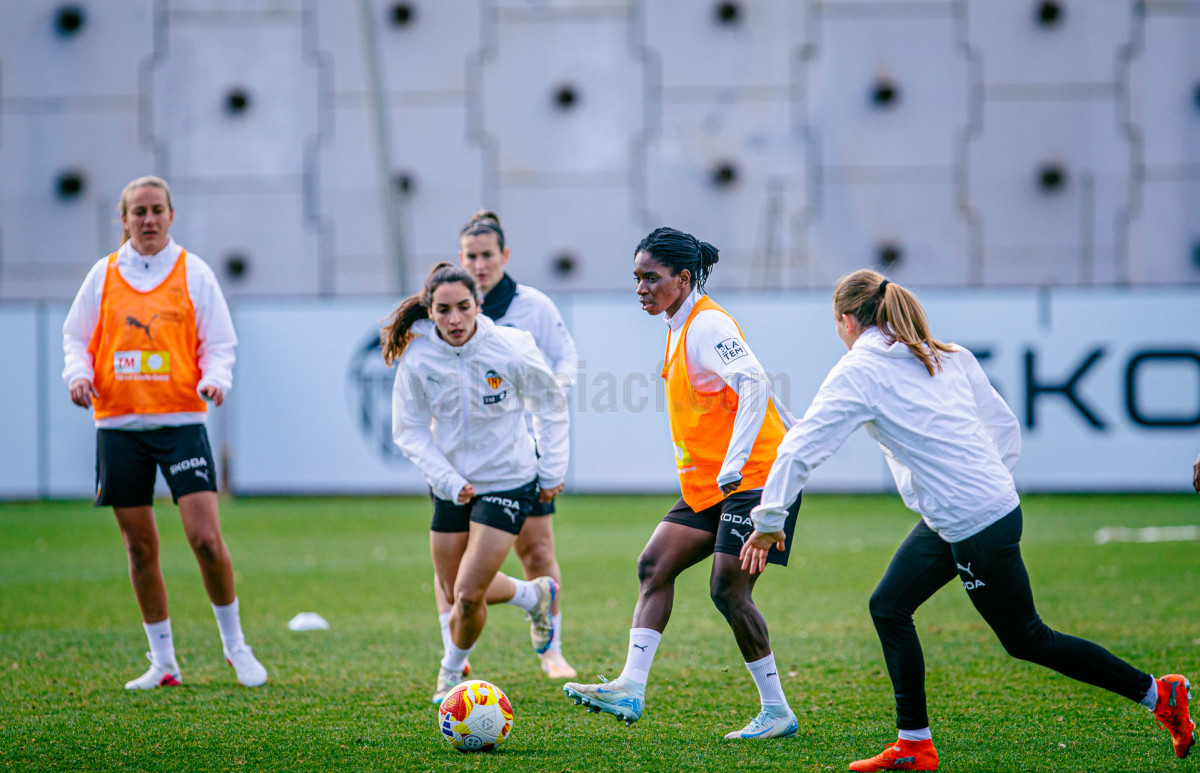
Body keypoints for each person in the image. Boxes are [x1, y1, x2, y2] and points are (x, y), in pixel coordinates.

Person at [740, 269, 1195, 770]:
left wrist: (769, 519)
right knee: (889, 606)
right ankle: (914, 745)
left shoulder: (859, 370)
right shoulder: (947, 353)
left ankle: (1159, 695)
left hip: (973, 520)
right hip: (973, 511)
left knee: (1027, 638)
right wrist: (985, 487)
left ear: (847, 321)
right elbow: (1004, 426)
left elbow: (800, 450)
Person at [563, 227, 801, 740]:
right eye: (636, 278)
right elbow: (754, 382)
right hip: (715, 484)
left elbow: (753, 381)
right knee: (654, 564)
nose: (641, 288)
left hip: (754, 479)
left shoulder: (705, 324)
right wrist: (795, 425)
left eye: (651, 278)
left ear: (684, 278)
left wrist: (740, 461)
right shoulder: (679, 322)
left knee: (728, 590)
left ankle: (777, 711)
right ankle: (630, 687)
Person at [62, 175, 267, 690]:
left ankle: (235, 647)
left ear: (172, 215)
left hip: (181, 424)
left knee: (206, 540)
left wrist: (216, 379)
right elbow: (75, 338)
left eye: (157, 210)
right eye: (139, 211)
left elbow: (219, 343)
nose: (149, 219)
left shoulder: (194, 272)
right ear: (124, 219)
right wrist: (78, 375)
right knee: (139, 548)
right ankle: (164, 662)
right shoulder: (103, 275)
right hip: (118, 427)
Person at [386, 263, 569, 703]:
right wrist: (447, 480)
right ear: (430, 310)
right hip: (452, 487)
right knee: (453, 592)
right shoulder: (418, 357)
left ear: (478, 304)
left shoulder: (510, 346)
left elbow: (550, 405)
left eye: (463, 307)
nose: (455, 319)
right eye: (443, 310)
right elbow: (409, 431)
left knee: (468, 596)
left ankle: (449, 673)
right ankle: (533, 596)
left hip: (509, 481)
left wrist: (551, 472)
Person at [425, 210, 579, 680]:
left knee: (537, 552)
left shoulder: (533, 307)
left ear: (504, 255)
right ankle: (455, 654)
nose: (479, 264)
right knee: (452, 568)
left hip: (518, 454)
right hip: (458, 459)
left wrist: (541, 399)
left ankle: (552, 650)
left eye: (487, 255)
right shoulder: (442, 307)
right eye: (470, 256)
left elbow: (565, 359)